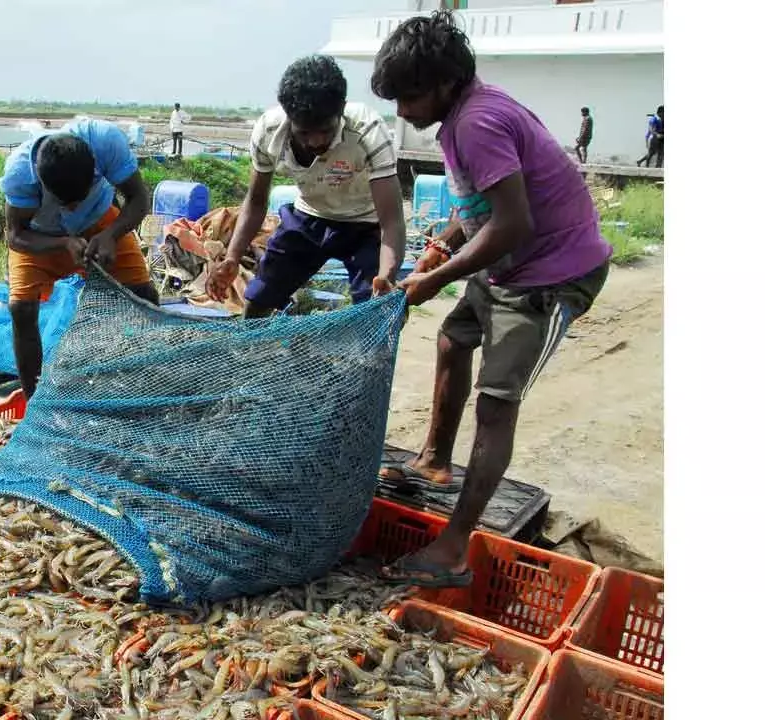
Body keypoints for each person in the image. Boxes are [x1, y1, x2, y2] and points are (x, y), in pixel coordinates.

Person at [369, 10, 613, 587]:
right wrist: (439, 250)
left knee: (496, 404)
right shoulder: (461, 116)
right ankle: (434, 459)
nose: (403, 111)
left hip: (550, 275)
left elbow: (513, 224)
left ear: (447, 82)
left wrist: (435, 279)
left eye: (411, 95)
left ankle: (455, 545)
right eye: (395, 98)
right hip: (505, 265)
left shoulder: (477, 121)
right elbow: (474, 205)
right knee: (454, 339)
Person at [206, 54, 406, 316]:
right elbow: (255, 202)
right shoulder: (268, 131)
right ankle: (252, 354)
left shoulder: (368, 129)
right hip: (309, 217)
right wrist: (232, 257)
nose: (315, 142)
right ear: (288, 117)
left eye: (325, 130)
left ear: (341, 109)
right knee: (259, 296)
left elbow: (392, 219)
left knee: (379, 309)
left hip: (367, 224)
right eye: (304, 133)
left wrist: (386, 276)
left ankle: (372, 354)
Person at [0, 118, 159, 399]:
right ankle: (34, 403)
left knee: (144, 295)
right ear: (42, 183)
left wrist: (111, 235)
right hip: (41, 236)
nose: (72, 208)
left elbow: (139, 199)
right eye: (65, 202)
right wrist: (63, 243)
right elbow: (16, 237)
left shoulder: (105, 141)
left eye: (79, 198)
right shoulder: (19, 173)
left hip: (99, 222)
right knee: (21, 310)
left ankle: (148, 384)